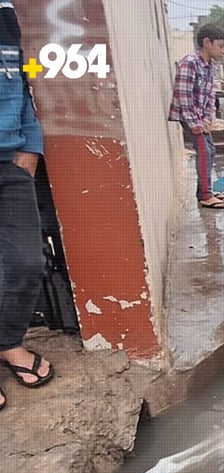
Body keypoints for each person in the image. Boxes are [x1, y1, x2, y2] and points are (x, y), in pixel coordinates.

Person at [0, 2, 54, 412]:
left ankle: (8, 341)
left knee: (26, 263)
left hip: (12, 162)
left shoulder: (9, 19)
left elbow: (25, 83)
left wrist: (31, 146)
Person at [170, 23, 224, 209]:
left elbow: (210, 94)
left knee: (210, 150)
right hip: (188, 116)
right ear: (206, 42)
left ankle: (204, 190)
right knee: (204, 152)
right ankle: (205, 195)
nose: (223, 51)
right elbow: (183, 94)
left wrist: (207, 120)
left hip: (200, 118)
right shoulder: (190, 62)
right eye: (220, 46)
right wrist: (194, 123)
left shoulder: (209, 66)